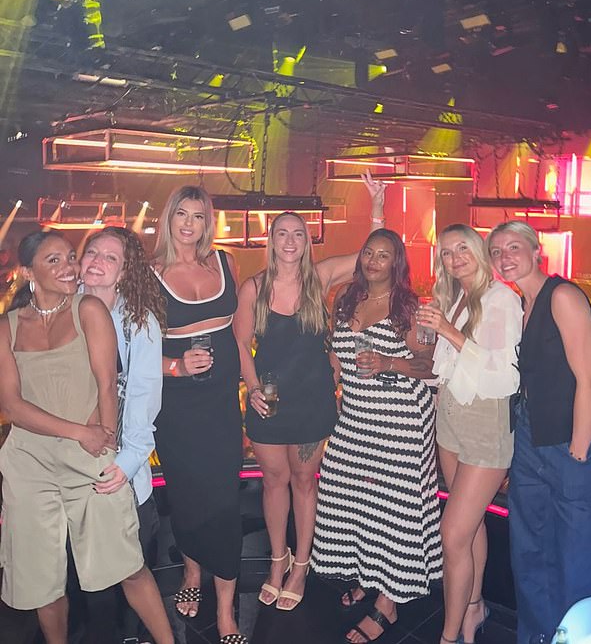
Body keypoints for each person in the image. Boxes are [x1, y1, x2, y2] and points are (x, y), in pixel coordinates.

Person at [0, 230, 173, 644]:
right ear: (28, 273)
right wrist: (81, 431)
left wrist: (110, 446)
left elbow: (110, 387)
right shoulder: (7, 326)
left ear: (125, 269)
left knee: (126, 563)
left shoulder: (95, 310)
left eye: (68, 257)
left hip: (90, 455)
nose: (72, 266)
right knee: (42, 579)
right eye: (55, 260)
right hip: (30, 461)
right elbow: (12, 405)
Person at [233, 174, 385, 612]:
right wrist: (254, 386)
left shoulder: (319, 279)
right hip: (270, 402)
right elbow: (240, 344)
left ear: (307, 240)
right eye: (282, 232)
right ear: (271, 239)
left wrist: (376, 208)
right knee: (274, 481)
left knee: (304, 480)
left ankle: (302, 564)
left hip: (314, 401)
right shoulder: (254, 288)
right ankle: (277, 562)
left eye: (298, 232)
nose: (290, 239)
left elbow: (369, 258)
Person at [311, 228, 442, 644]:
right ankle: (369, 575)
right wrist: (321, 392)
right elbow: (336, 356)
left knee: (394, 510)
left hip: (400, 420)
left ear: (396, 263)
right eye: (368, 252)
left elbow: (428, 366)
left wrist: (388, 362)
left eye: (383, 256)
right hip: (356, 417)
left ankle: (388, 602)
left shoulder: (410, 308)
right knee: (348, 495)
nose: (373, 261)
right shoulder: (346, 299)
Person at [487, 221, 591, 643]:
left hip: (572, 444)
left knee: (573, 564)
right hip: (531, 440)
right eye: (496, 250)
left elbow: (588, 380)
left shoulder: (563, 295)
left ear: (536, 250)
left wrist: (577, 454)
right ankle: (536, 637)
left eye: (513, 246)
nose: (505, 256)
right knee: (530, 557)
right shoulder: (521, 303)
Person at [417, 223, 522, 644]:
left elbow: (503, 379)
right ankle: (475, 605)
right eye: (446, 252)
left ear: (479, 251)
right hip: (451, 418)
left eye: (463, 248)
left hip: (484, 421)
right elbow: (447, 364)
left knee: (452, 534)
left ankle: (448, 636)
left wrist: (447, 331)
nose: (455, 257)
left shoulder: (500, 300)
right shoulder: (456, 297)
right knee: (471, 524)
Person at [151, 185, 247, 644]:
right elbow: (131, 350)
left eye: (198, 216)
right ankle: (191, 573)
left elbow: (242, 327)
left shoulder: (225, 262)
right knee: (188, 498)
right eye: (181, 214)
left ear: (209, 222)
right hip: (177, 411)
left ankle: (227, 610)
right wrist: (176, 365)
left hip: (223, 406)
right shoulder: (148, 275)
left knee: (226, 501)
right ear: (168, 219)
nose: (189, 224)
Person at [80, 225, 167, 642]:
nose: (96, 261)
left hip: (119, 465)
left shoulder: (138, 323)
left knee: (131, 567)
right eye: (91, 252)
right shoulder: (59, 312)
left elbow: (144, 398)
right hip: (69, 460)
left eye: (109, 257)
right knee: (83, 580)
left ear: (124, 271)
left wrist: (127, 462)